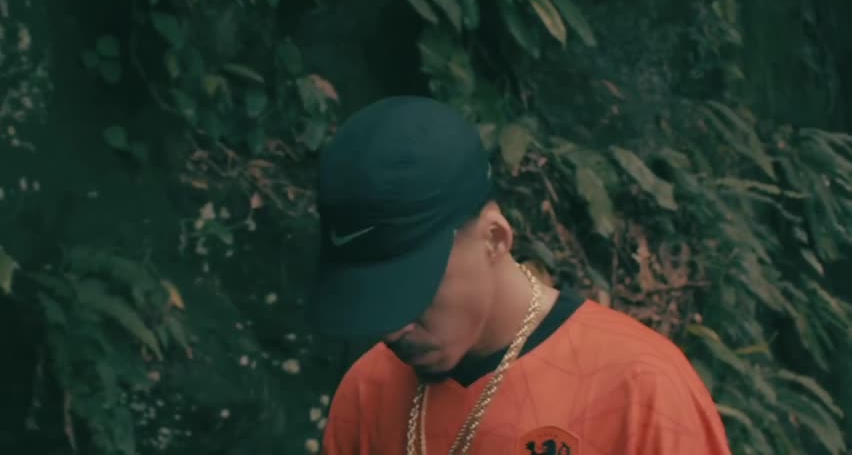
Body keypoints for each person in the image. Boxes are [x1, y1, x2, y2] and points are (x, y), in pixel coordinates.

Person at [307, 96, 731, 454]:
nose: (393, 327)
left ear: (494, 238)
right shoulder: (368, 391)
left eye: (411, 289)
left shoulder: (640, 388)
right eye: (373, 297)